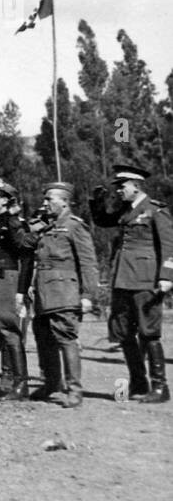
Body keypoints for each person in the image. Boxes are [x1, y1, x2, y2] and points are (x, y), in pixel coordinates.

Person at [90, 163, 172, 403]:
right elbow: (104, 221)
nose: (118, 191)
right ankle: (138, 382)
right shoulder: (125, 211)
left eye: (122, 186)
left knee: (149, 332)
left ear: (136, 186)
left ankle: (160, 387)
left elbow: (169, 245)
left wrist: (167, 277)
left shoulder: (155, 210)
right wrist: (97, 202)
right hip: (123, 279)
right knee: (124, 333)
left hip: (146, 280)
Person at [21, 182, 99, 408]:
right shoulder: (46, 226)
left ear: (64, 201)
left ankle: (74, 390)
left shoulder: (74, 226)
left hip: (65, 292)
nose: (44, 203)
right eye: (44, 199)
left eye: (49, 199)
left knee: (66, 339)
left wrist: (87, 295)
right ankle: (51, 383)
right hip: (44, 294)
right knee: (43, 338)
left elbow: (88, 263)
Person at [0, 176, 33, 399]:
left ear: (4, 200)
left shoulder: (14, 223)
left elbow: (27, 258)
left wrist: (21, 291)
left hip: (6, 279)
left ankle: (20, 383)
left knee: (9, 330)